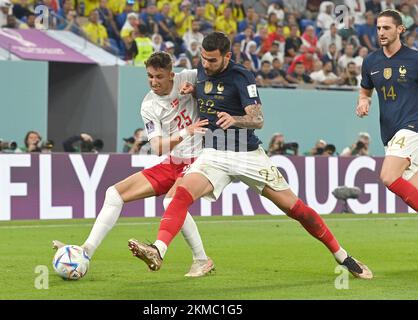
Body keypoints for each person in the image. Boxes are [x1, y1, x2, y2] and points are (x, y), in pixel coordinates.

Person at [128, 32, 372, 280]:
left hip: (247, 154)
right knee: (179, 196)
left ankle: (342, 255)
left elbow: (258, 119)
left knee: (295, 209)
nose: (206, 64)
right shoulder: (201, 73)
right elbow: (210, 95)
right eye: (203, 58)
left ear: (227, 56)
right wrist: (195, 92)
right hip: (214, 152)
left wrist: (236, 119)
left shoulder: (241, 76)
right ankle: (158, 249)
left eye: (212, 60)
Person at [53, 52, 215, 278]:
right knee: (114, 194)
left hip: (200, 158)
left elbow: (216, 84)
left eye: (159, 77)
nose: (154, 82)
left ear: (172, 75)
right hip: (173, 161)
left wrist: (198, 90)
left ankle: (201, 260)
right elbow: (158, 147)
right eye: (149, 76)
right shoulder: (149, 104)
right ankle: (86, 250)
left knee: (171, 201)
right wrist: (185, 132)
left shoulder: (189, 77)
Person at [355, 10, 418, 214]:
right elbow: (365, 90)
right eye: (379, 28)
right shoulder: (371, 61)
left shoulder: (414, 59)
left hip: (411, 128)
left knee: (389, 176)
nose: (381, 32)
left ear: (400, 29)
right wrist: (363, 101)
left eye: (387, 28)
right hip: (389, 133)